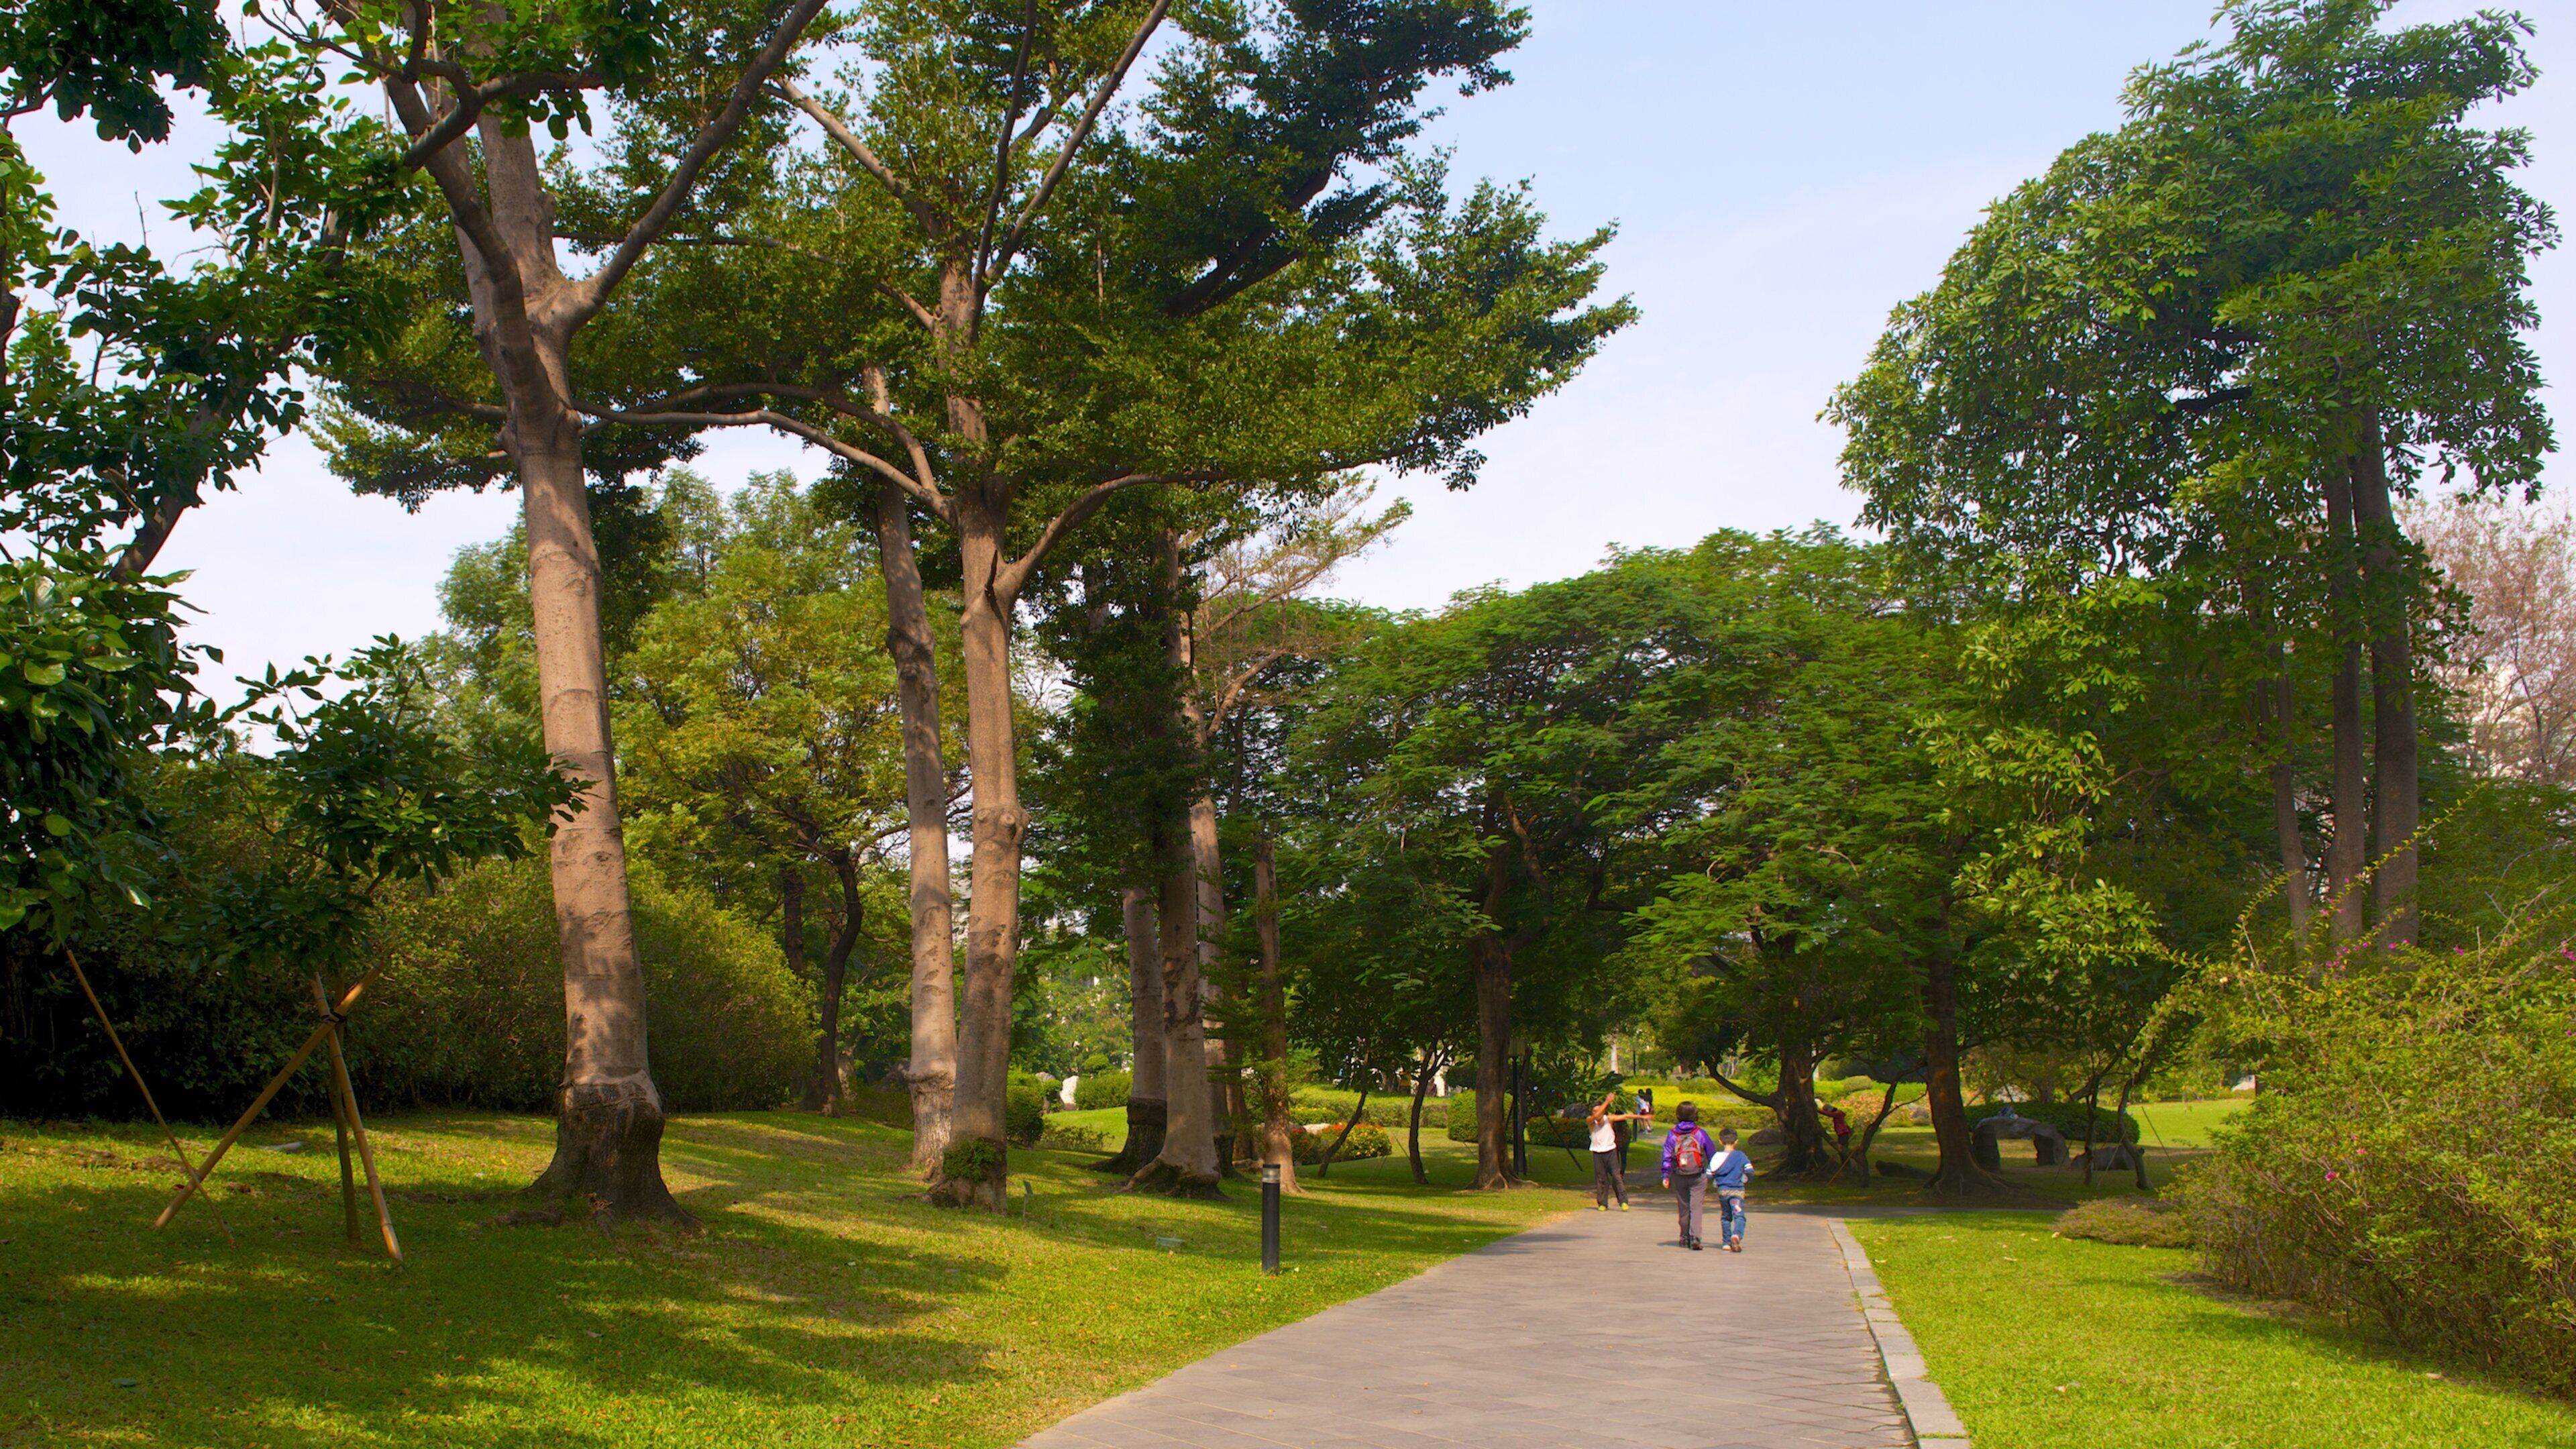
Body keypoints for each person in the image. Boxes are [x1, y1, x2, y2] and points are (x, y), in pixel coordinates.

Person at [1660, 1102, 1718, 1250]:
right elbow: (1712, 1154)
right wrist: (1714, 1173)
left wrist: (1666, 1176)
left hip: (1679, 1175)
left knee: (1684, 1207)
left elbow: (1667, 1156)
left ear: (1678, 1115)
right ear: (1695, 1115)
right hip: (1698, 1175)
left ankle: (1684, 1238)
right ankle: (1696, 1238)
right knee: (1696, 1207)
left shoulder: (1672, 1134)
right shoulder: (1700, 1133)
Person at [1587, 1093, 1642, 1211]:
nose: (1598, 1113)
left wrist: (1642, 1118)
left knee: (1617, 1177)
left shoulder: (1609, 1119)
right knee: (1601, 1178)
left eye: (1600, 1110)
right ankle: (1602, 1203)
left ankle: (1623, 1201)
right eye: (1595, 1111)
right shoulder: (1591, 1121)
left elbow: (1626, 1117)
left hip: (1611, 1151)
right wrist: (1607, 1101)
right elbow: (1596, 1117)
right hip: (1597, 1152)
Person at [1708, 1126, 1754, 1252]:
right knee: (1739, 1215)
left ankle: (1726, 1242)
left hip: (1723, 1191)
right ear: (1737, 1142)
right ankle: (1736, 1235)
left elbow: (1709, 1174)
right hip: (1737, 1191)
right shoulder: (1741, 1156)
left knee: (1726, 1216)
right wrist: (1746, 1179)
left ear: (1720, 1141)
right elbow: (1750, 1171)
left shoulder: (1716, 1157)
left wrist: (1716, 1180)